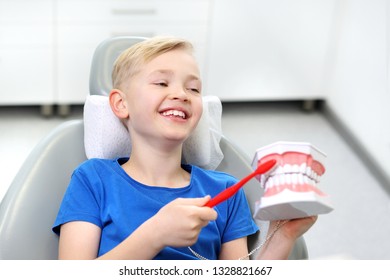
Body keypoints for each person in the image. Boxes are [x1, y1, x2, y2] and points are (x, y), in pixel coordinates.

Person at [52, 36, 317, 260]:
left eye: (193, 88)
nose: (182, 94)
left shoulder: (226, 191)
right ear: (121, 104)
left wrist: (283, 236)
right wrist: (155, 235)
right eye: (162, 83)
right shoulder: (92, 180)